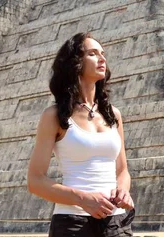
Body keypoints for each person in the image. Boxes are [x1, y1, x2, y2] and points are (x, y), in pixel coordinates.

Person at [27, 32, 135, 237]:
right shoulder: (54, 116)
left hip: (116, 221)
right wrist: (82, 198)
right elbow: (35, 180)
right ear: (75, 63)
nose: (102, 58)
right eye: (93, 54)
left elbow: (122, 170)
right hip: (72, 222)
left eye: (103, 53)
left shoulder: (114, 115)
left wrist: (123, 190)